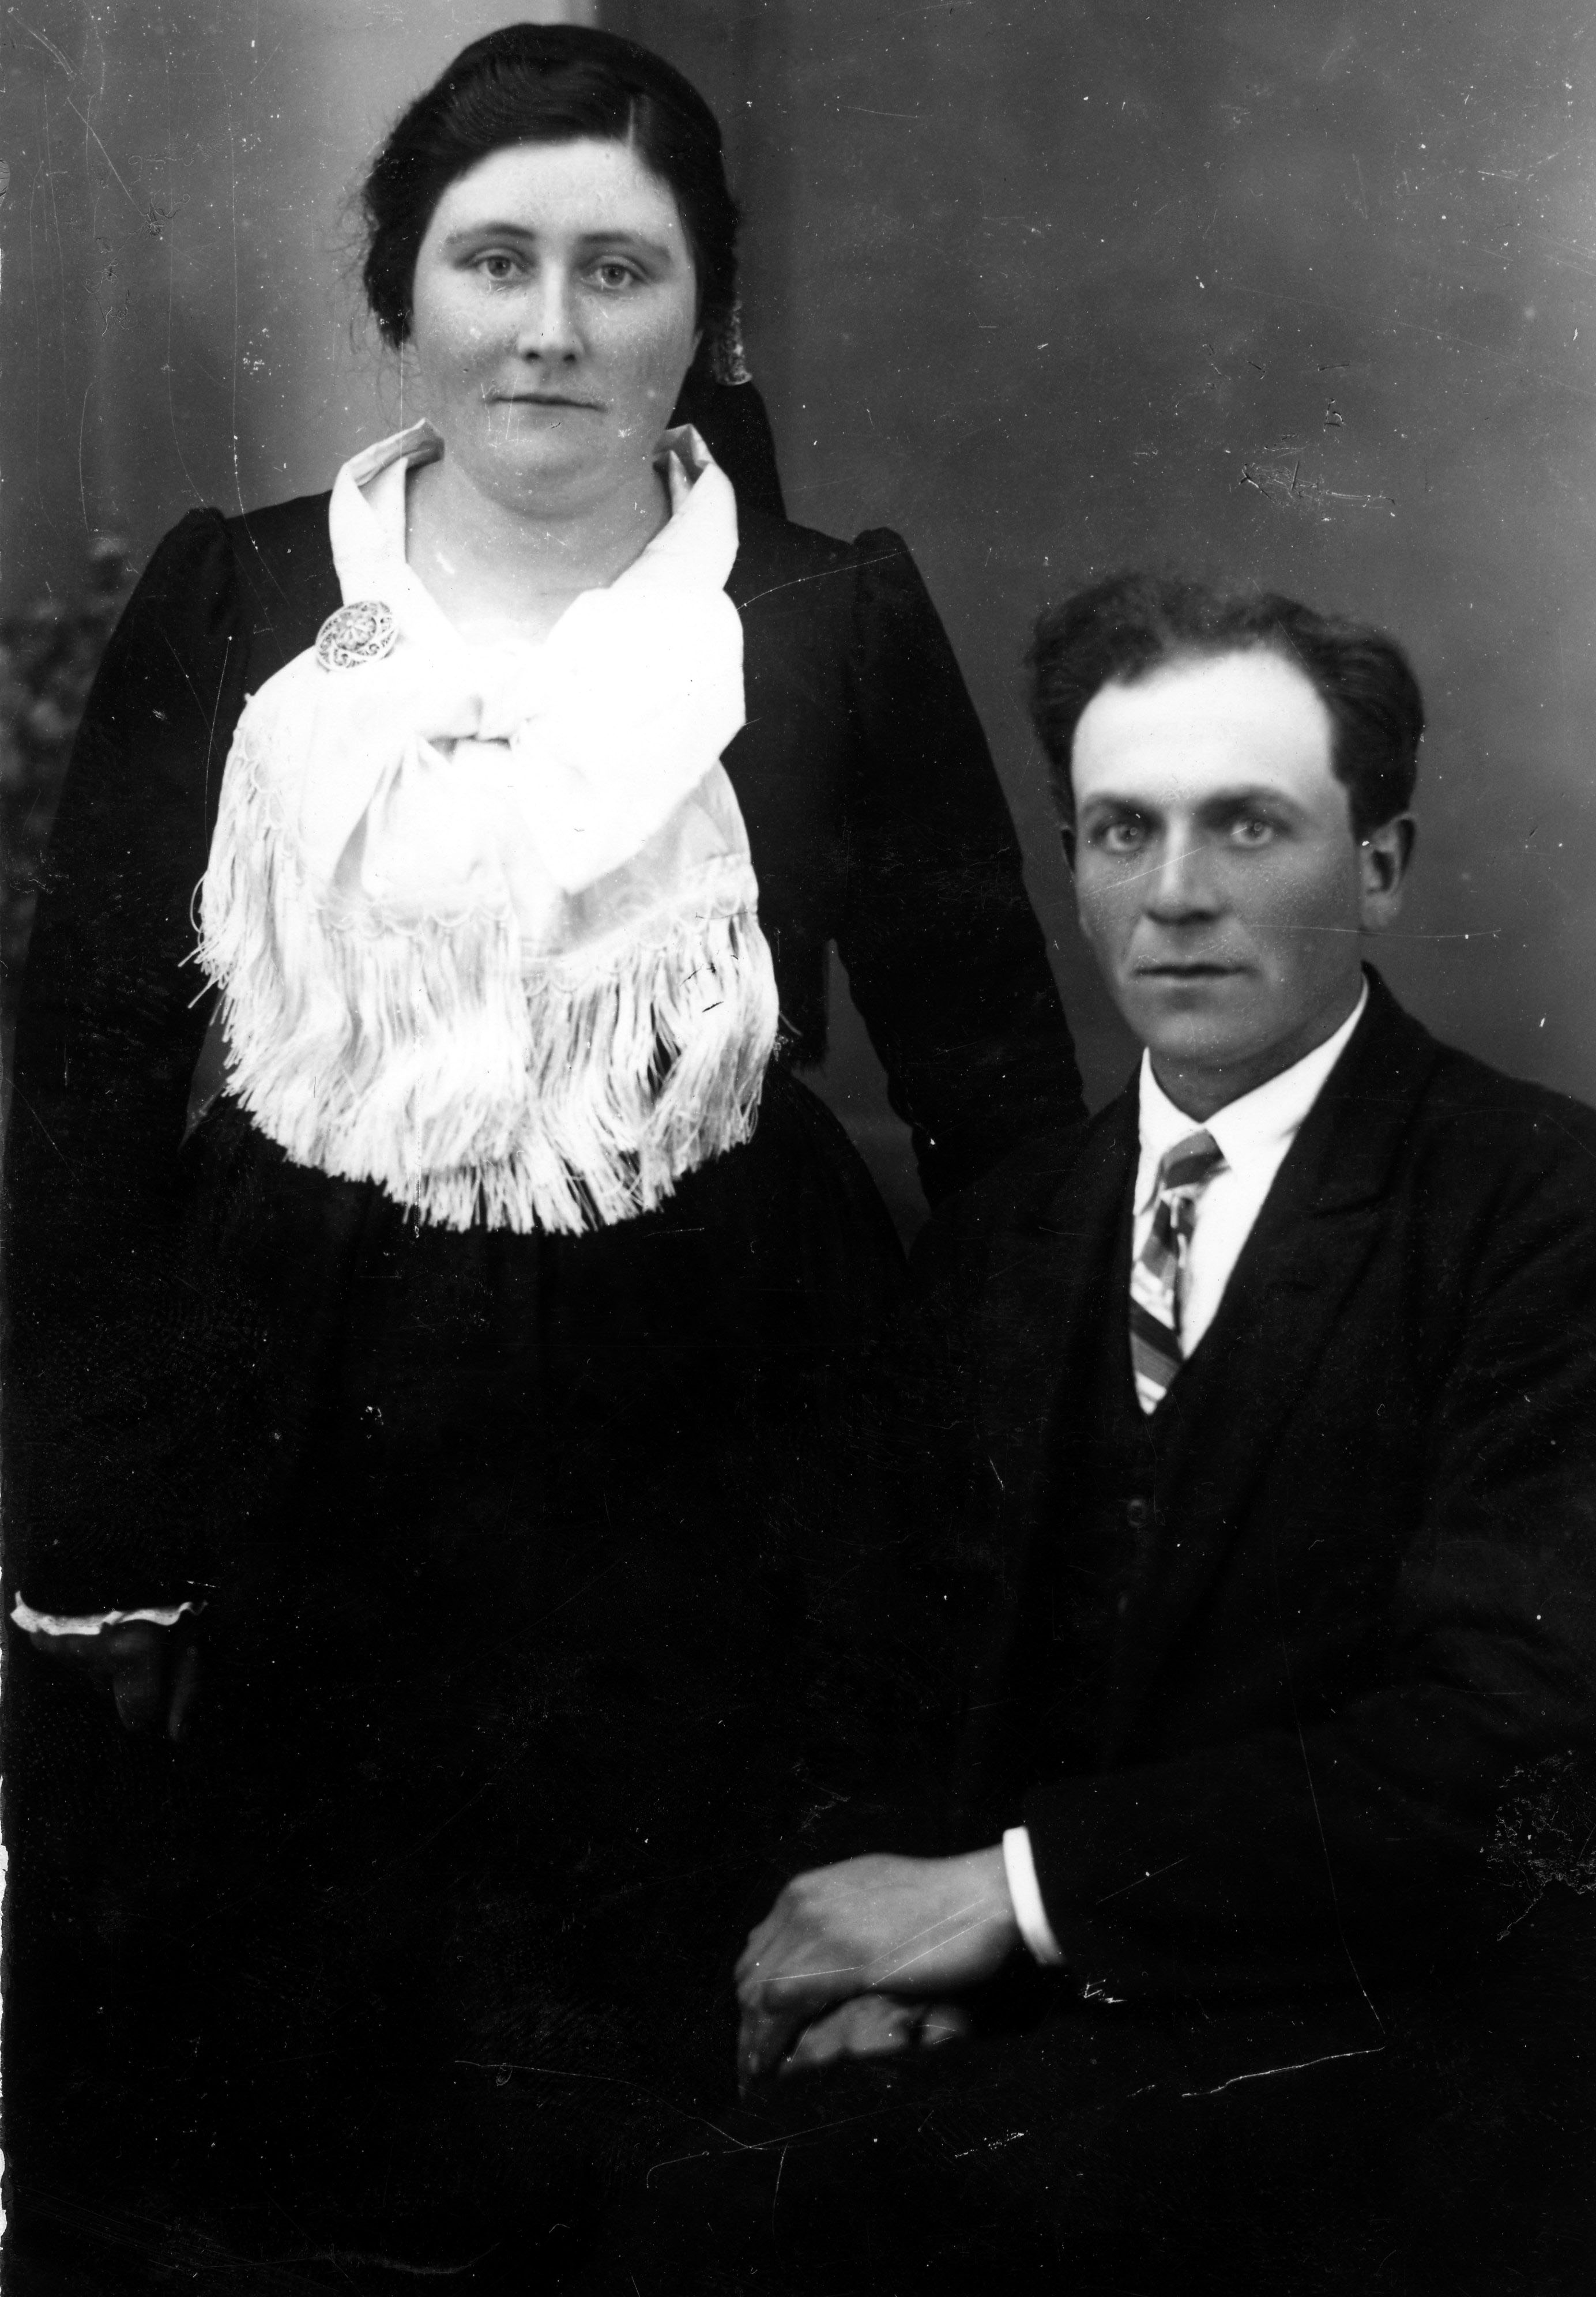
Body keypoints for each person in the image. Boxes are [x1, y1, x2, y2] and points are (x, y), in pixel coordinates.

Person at [0, 25, 1080, 2291]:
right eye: (495, 261)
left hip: (728, 1424)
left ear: (708, 315)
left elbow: (998, 1121)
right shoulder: (237, 597)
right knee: (281, 2112)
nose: (552, 328)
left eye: (619, 269)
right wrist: (95, 1537)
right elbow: (84, 1088)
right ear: (400, 294)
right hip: (294, 1426)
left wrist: (982, 1558)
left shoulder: (823, 614)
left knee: (649, 2121)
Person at [724, 575, 1596, 2292]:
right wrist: (878, 1943)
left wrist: (1010, 1897)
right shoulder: (1010, 1227)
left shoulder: (1545, 1216)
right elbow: (872, 1669)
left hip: (1400, 2066)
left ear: (1381, 868)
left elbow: (1514, 1758)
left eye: (1248, 826)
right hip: (1027, 2053)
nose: (1177, 895)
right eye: (1123, 832)